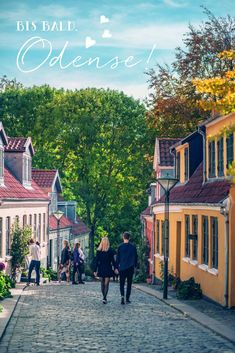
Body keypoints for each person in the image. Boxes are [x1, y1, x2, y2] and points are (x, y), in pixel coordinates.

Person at [115, 232, 138, 305]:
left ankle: (122, 297)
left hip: (122, 268)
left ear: (123, 238)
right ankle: (127, 298)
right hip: (130, 268)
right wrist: (135, 266)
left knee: (122, 283)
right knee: (129, 284)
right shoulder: (133, 247)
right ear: (129, 238)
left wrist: (116, 267)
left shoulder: (120, 247)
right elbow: (136, 258)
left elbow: (117, 258)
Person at [93, 237, 115, 304]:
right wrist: (116, 267)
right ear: (108, 242)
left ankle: (104, 297)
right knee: (106, 284)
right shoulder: (110, 250)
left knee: (102, 284)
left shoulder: (99, 251)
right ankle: (104, 298)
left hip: (101, 268)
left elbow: (96, 261)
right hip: (108, 267)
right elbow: (113, 261)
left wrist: (95, 270)